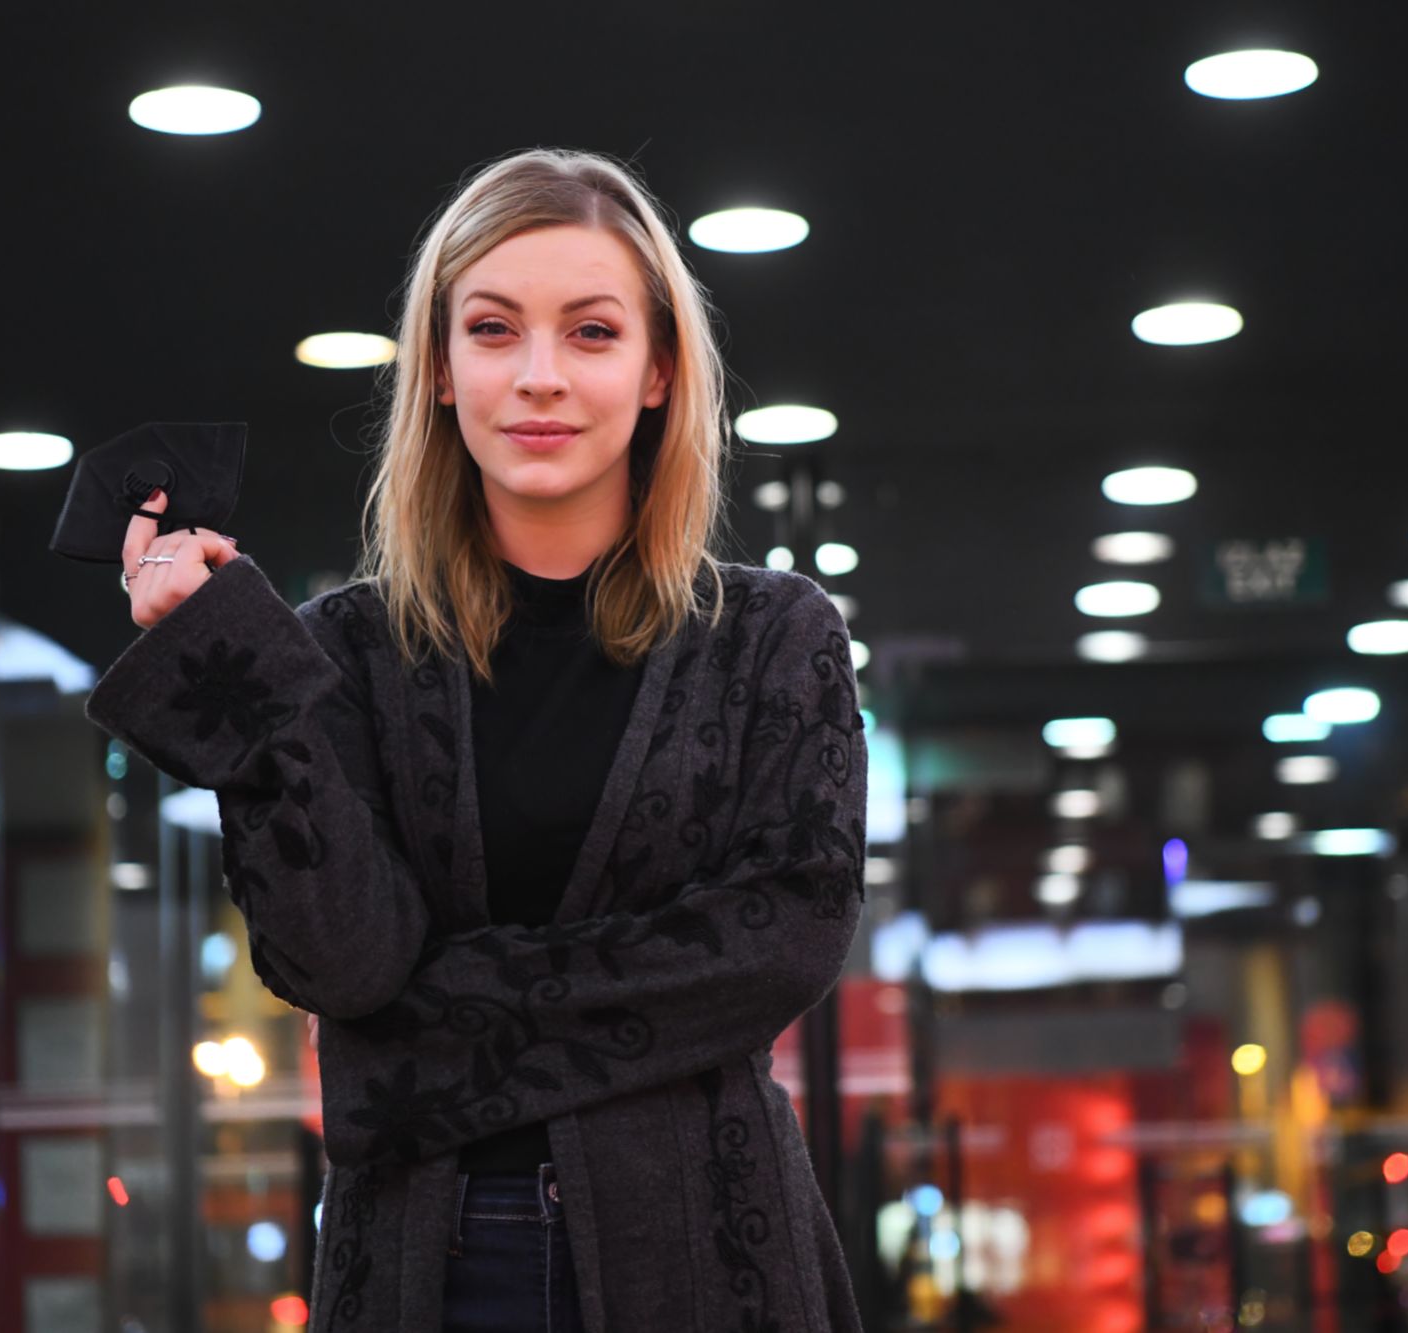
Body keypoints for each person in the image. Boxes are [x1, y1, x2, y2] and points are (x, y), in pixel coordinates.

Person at [86, 147, 868, 1331]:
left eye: (592, 332)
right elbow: (343, 965)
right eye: (493, 330)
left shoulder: (770, 636)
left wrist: (403, 1040)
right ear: (442, 371)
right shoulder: (342, 652)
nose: (539, 377)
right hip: (419, 1259)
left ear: (658, 369)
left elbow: (784, 941)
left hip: (703, 1253)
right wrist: (239, 679)